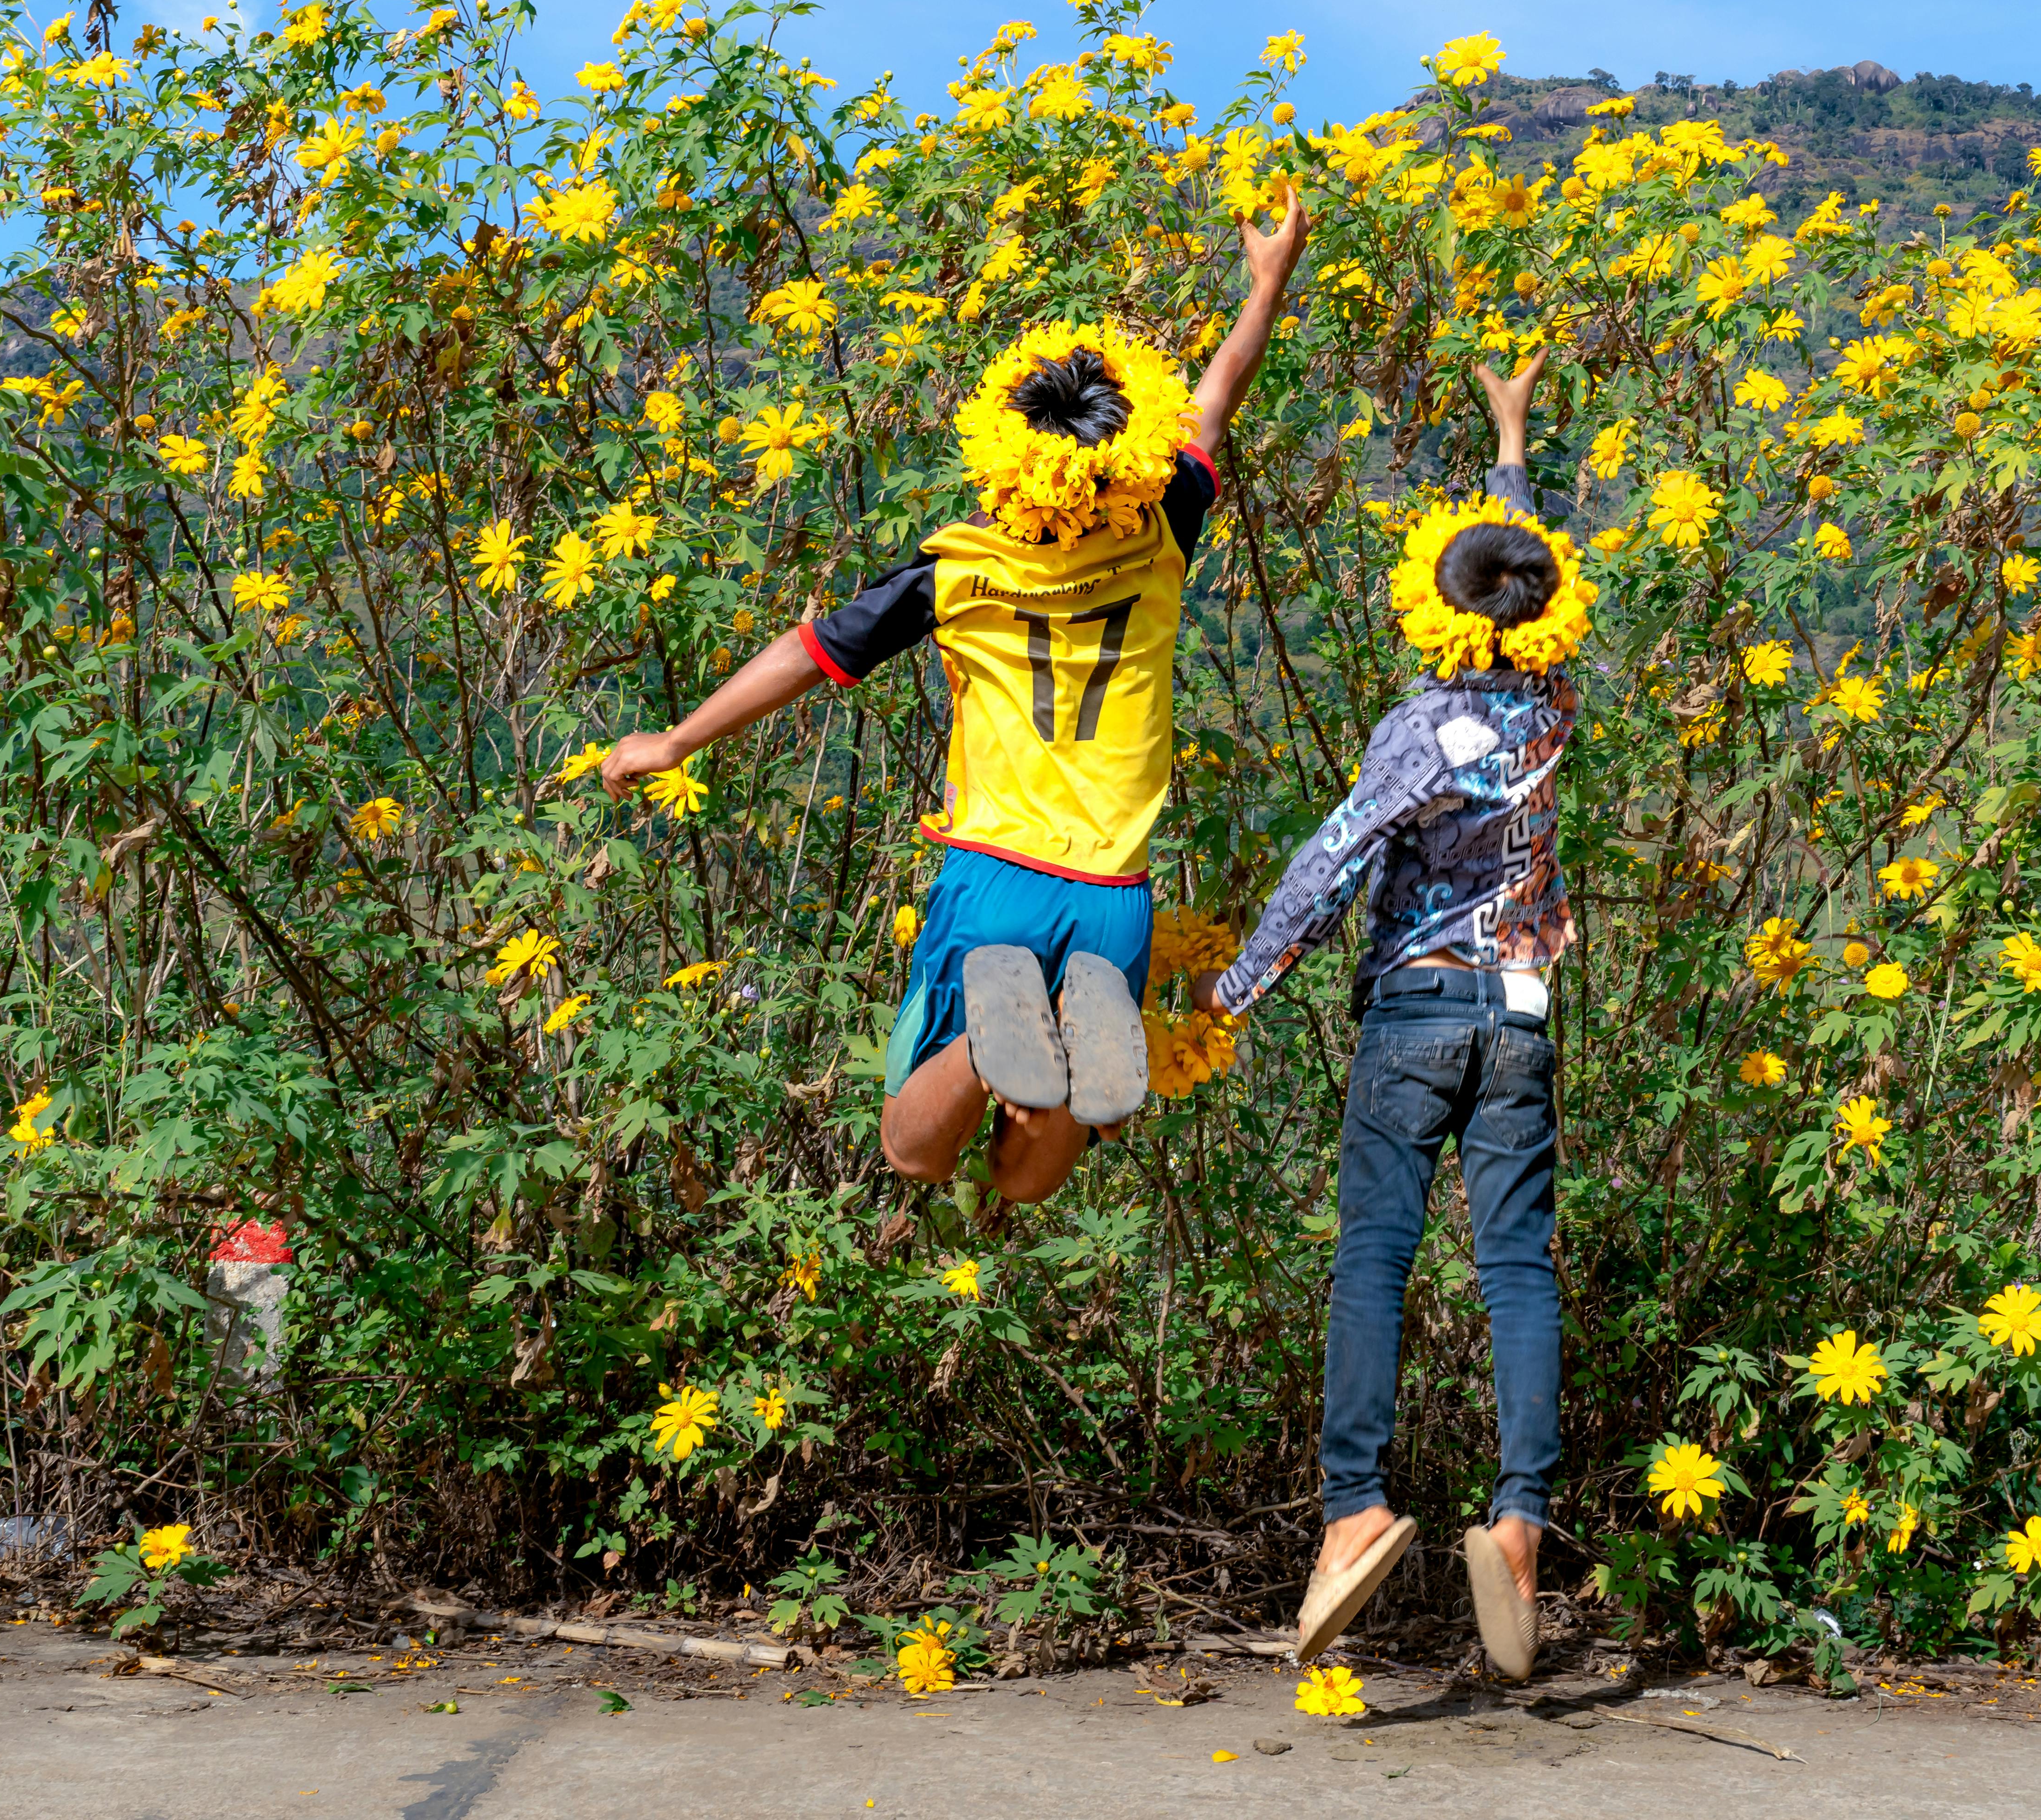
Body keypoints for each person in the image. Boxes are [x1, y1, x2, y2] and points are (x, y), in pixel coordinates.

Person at [602, 191, 1309, 1206]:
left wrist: (676, 739)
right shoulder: (1162, 537)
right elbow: (1214, 403)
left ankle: (987, 1048)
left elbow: (808, 653)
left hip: (997, 879)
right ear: (1128, 461)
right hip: (1117, 898)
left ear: (1009, 459)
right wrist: (1268, 284)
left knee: (913, 1153)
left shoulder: (959, 571)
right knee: (1025, 1184)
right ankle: (1058, 1042)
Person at [1193, 350, 1588, 1682]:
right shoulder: (1551, 703)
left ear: (1439, 611)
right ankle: (1522, 1518)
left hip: (1415, 1020)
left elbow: (1329, 864)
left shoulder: (1420, 729)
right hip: (1521, 1019)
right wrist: (1514, 436)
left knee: (1376, 1260)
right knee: (1517, 1270)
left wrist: (1233, 988)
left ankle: (1354, 1505)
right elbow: (1525, 566)